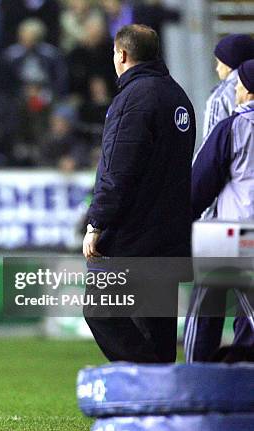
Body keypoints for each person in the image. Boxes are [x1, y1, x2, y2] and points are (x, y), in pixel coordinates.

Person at [82, 24, 195, 363]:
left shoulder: (132, 98)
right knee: (157, 326)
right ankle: (163, 403)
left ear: (123, 54)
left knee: (100, 310)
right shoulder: (178, 96)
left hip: (134, 234)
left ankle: (146, 383)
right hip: (170, 232)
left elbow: (118, 168)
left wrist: (96, 223)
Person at [185, 59, 254, 362]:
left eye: (240, 84)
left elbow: (202, 181)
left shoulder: (233, 126)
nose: (236, 88)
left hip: (230, 231)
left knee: (204, 309)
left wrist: (184, 216)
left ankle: (195, 379)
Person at [200, 34, 254, 144]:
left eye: (219, 62)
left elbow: (211, 143)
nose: (217, 68)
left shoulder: (220, 96)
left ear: (229, 65)